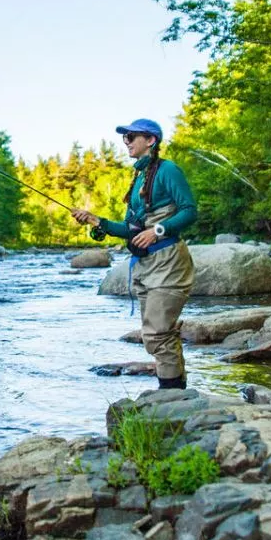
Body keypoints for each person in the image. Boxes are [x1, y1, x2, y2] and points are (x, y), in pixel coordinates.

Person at [71, 118, 197, 390]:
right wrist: (97, 222)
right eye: (124, 138)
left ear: (150, 140)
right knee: (158, 336)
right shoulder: (139, 177)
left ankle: (171, 394)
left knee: (157, 335)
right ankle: (176, 392)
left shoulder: (168, 170)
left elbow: (189, 210)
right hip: (145, 265)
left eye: (131, 137)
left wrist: (158, 230)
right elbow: (131, 229)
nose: (126, 142)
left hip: (168, 262)